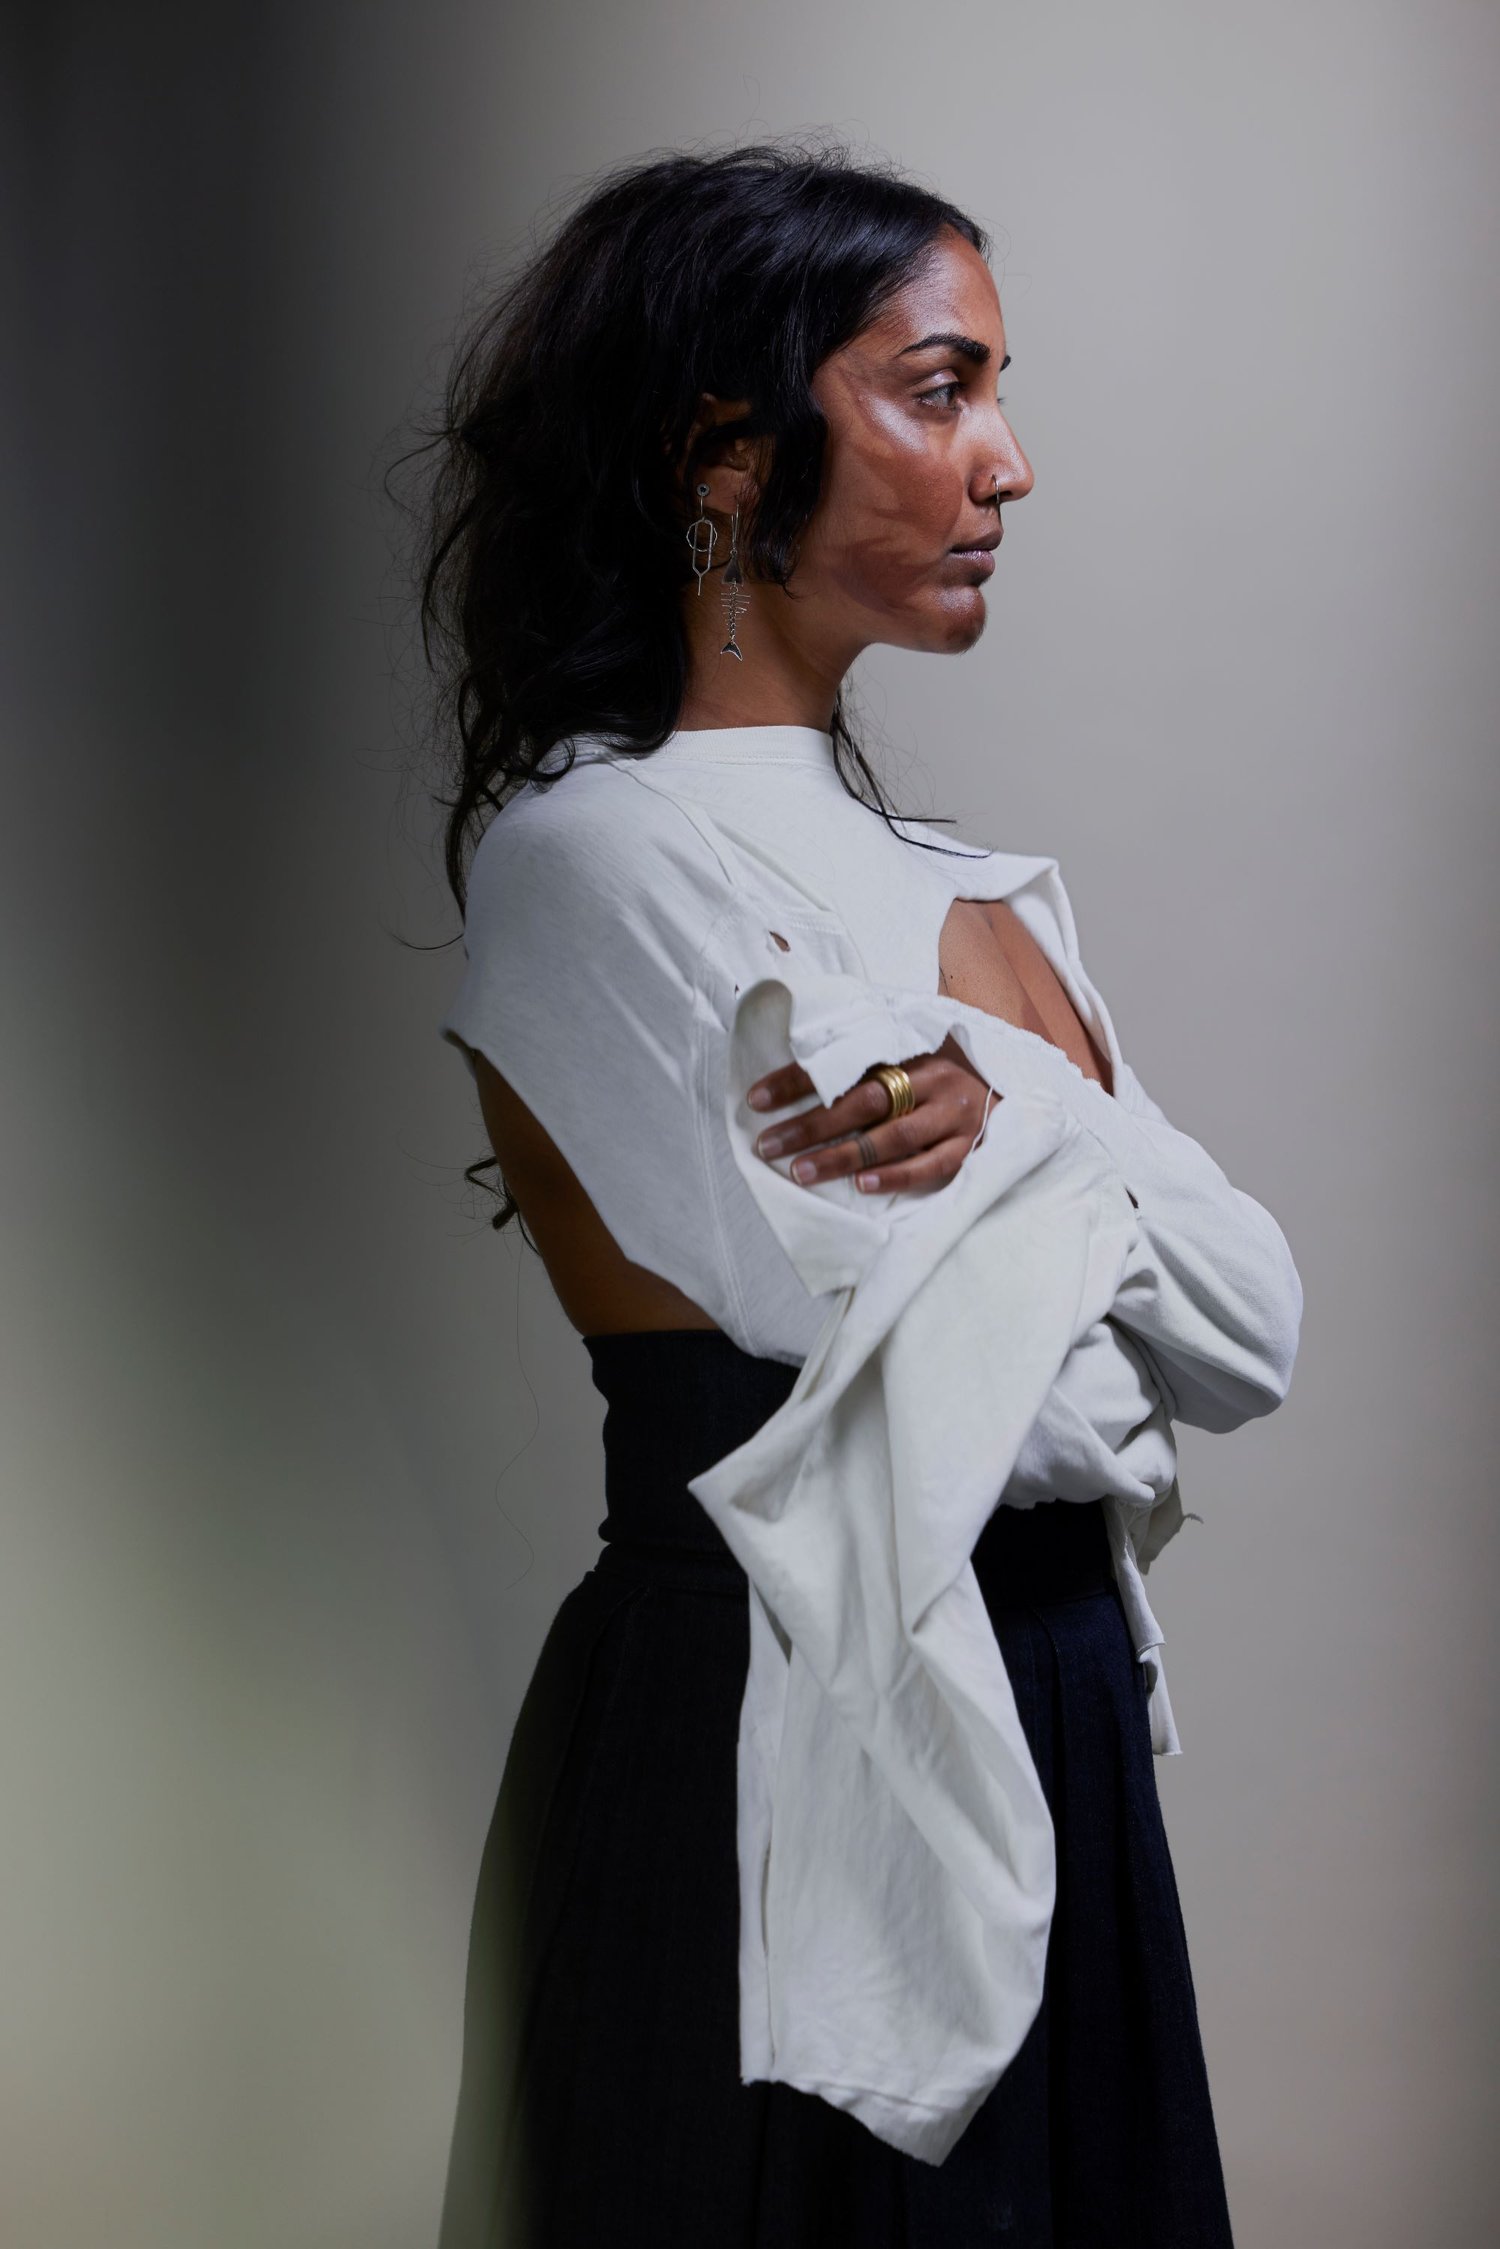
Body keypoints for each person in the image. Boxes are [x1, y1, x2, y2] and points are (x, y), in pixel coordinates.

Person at [414, 140, 1302, 2247]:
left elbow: (1253, 1331)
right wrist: (1096, 1174)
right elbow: (1038, 1397)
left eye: (997, 391)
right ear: (727, 449)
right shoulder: (600, 855)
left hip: (1052, 1701)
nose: (1007, 463)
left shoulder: (979, 898)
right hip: (766, 1724)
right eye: (939, 387)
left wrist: (1005, 1110)